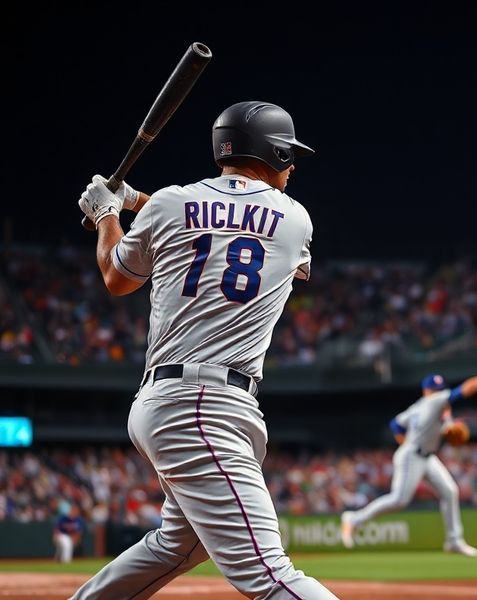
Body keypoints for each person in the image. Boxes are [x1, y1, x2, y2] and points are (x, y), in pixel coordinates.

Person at [73, 102, 338, 599]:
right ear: (274, 152)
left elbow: (117, 275)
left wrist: (109, 212)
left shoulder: (169, 202)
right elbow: (224, 229)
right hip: (201, 407)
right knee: (272, 575)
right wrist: (129, 203)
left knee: (179, 545)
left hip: (179, 401)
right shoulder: (295, 219)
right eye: (289, 154)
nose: (293, 166)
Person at [341, 368, 477, 556]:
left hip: (426, 456)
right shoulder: (434, 401)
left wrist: (438, 432)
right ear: (426, 391)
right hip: (412, 456)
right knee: (399, 500)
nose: (437, 392)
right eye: (434, 389)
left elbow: (396, 424)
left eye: (439, 389)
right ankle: (353, 518)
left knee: (449, 491)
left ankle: (454, 540)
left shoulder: (421, 407)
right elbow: (466, 389)